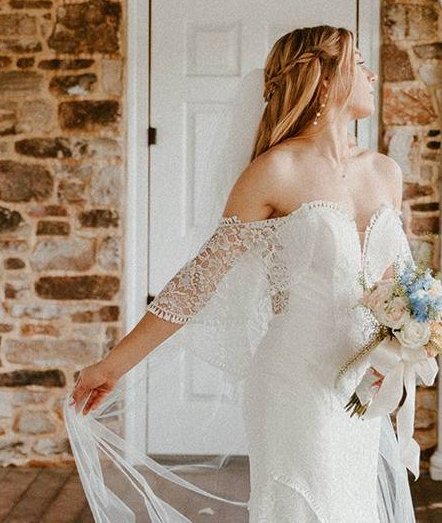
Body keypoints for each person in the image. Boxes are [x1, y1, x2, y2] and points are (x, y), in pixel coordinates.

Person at [64, 25, 418, 522]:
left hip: (363, 379)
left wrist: (409, 342)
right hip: (296, 377)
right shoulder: (274, 172)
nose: (372, 74)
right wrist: (112, 366)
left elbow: (394, 285)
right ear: (323, 76)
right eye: (359, 62)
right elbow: (198, 282)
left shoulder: (386, 173)